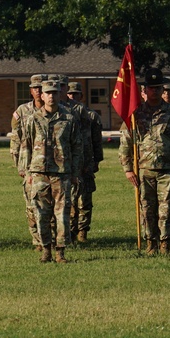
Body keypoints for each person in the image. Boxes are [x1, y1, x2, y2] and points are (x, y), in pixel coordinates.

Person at [118, 68, 170, 255]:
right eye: (152, 88)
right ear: (144, 90)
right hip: (144, 169)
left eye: (159, 88)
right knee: (147, 209)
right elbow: (126, 143)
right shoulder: (135, 114)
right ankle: (151, 242)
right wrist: (128, 169)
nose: (156, 91)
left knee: (167, 209)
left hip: (168, 169)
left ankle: (165, 243)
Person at [18, 79, 83, 263]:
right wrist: (26, 172)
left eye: (55, 92)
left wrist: (75, 173)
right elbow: (26, 145)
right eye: (48, 93)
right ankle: (45, 249)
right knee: (41, 213)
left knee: (62, 214)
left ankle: (60, 252)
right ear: (42, 95)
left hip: (62, 172)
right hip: (38, 172)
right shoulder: (33, 119)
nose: (51, 96)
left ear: (59, 94)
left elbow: (77, 147)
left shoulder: (69, 118)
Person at [66, 81, 104, 243]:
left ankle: (83, 232)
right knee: (69, 201)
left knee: (84, 201)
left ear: (81, 96)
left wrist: (96, 161)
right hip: (69, 165)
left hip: (86, 164)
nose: (73, 96)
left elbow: (97, 142)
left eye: (76, 94)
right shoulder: (65, 113)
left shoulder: (91, 115)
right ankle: (70, 232)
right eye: (70, 94)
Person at [11, 74, 45, 250]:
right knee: (31, 205)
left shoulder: (58, 110)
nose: (38, 91)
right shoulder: (22, 111)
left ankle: (50, 238)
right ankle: (37, 239)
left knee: (51, 206)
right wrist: (19, 164)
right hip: (29, 166)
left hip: (51, 167)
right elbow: (16, 139)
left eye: (41, 87)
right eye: (35, 88)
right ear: (31, 91)